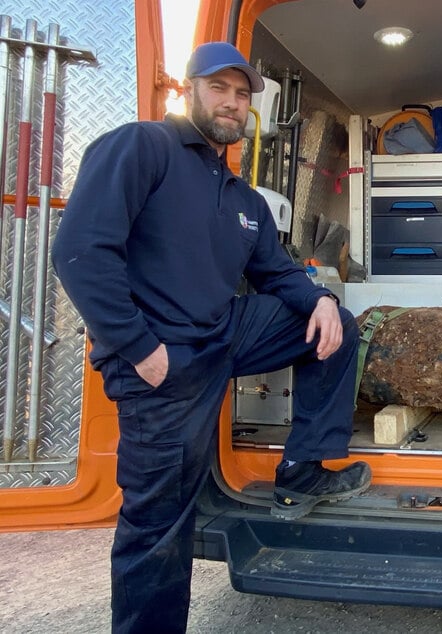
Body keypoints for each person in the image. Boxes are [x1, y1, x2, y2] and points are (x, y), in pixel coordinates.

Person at [51, 42, 371, 633]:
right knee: (160, 524)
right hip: (162, 360)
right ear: (189, 91)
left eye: (242, 94)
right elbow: (80, 252)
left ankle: (301, 467)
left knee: (334, 326)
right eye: (218, 88)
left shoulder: (239, 196)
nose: (231, 102)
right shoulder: (142, 147)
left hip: (223, 333)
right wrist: (139, 348)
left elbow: (275, 272)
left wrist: (322, 300)